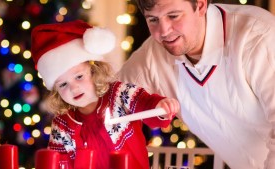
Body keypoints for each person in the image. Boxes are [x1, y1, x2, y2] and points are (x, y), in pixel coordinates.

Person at [117, 0, 275, 169]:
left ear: (200, 5)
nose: (164, 31)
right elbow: (107, 102)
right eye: (153, 20)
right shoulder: (151, 58)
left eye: (173, 16)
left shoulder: (259, 34)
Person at [30, 20, 179, 169]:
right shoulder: (62, 123)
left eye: (79, 77)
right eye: (63, 84)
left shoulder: (120, 94)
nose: (73, 88)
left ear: (94, 71)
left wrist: (160, 106)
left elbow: (147, 105)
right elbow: (57, 161)